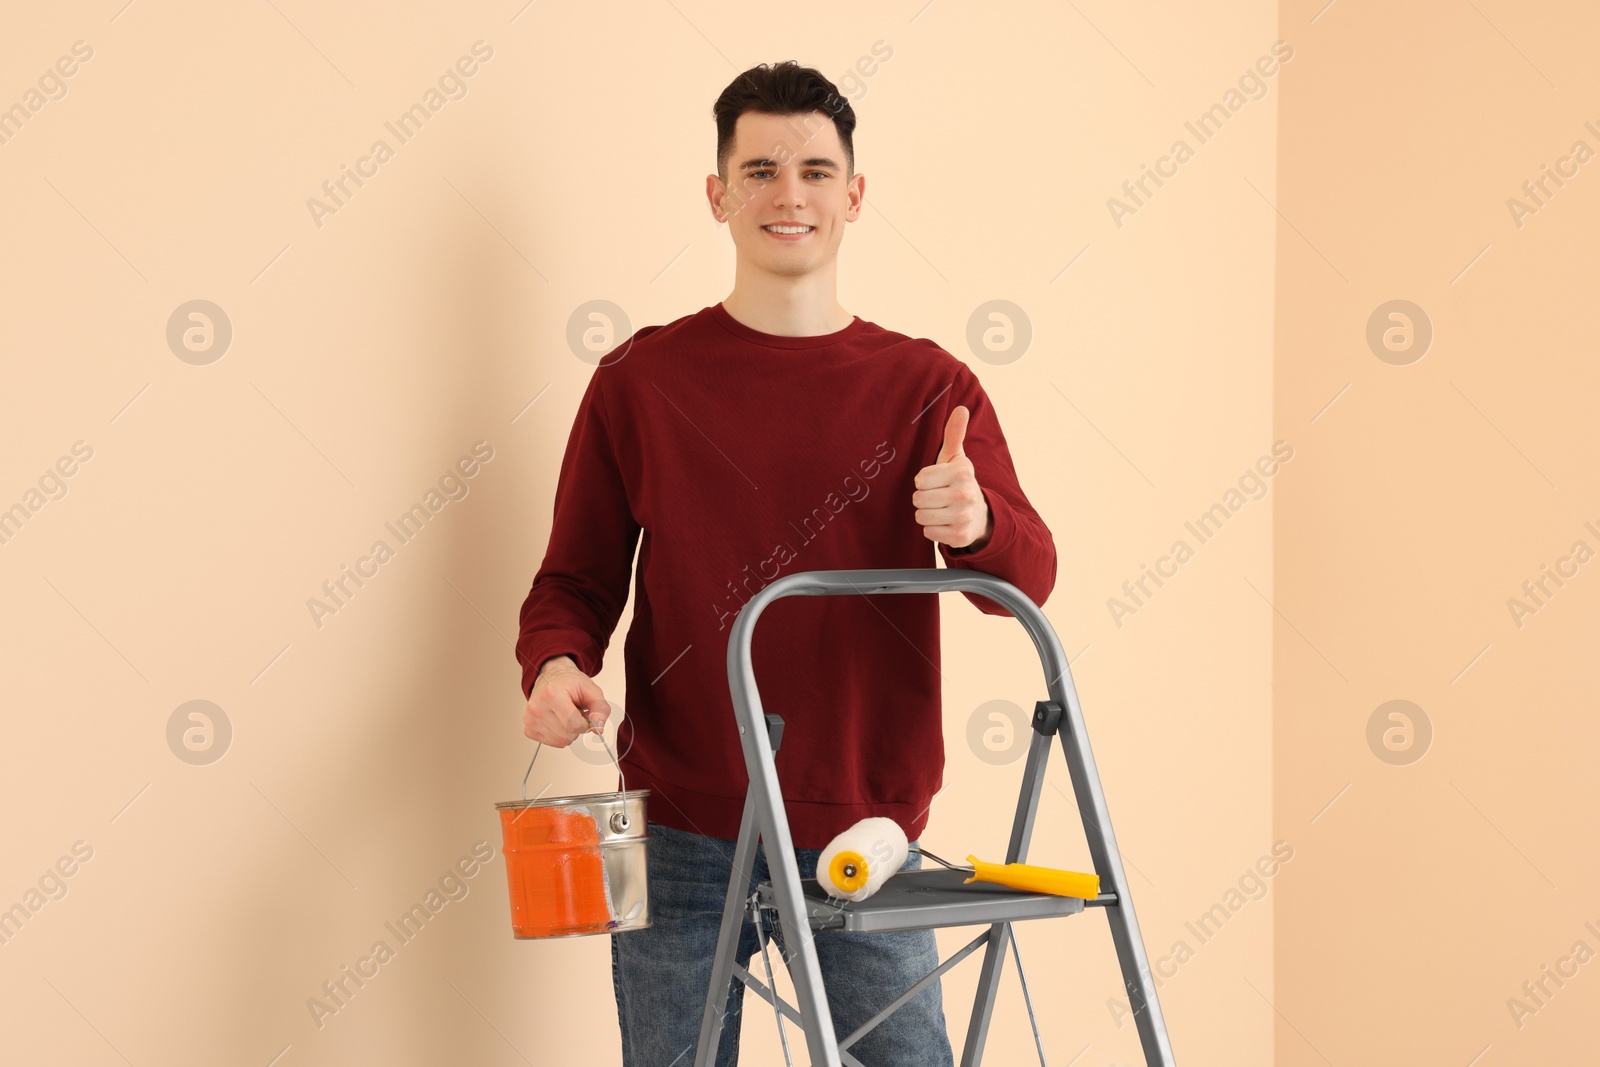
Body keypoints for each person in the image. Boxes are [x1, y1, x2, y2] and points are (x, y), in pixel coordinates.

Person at [516, 60, 1055, 1066]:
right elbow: (573, 582)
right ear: (716, 195)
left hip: (863, 829)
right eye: (759, 168)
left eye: (814, 169)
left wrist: (976, 522)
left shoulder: (929, 384)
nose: (788, 193)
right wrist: (553, 664)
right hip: (675, 828)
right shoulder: (640, 379)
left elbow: (1030, 576)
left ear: (853, 194)